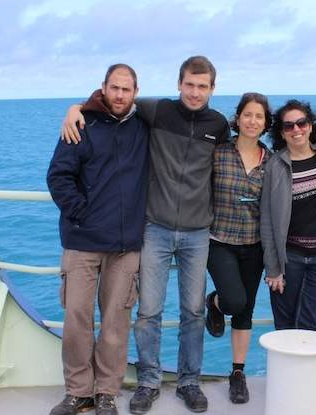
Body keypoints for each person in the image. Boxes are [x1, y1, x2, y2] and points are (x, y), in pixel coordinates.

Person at [60, 56, 230, 414]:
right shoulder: (157, 111)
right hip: (154, 228)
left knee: (193, 311)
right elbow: (107, 105)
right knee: (148, 311)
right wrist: (74, 107)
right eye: (189, 84)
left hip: (198, 232)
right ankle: (149, 381)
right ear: (178, 84)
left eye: (203, 86)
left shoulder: (219, 125)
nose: (195, 92)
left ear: (212, 89)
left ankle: (188, 381)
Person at [47, 63, 149, 415]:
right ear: (103, 88)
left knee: (115, 322)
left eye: (127, 89)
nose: (120, 95)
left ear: (136, 92)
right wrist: (82, 214)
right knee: (76, 317)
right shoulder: (81, 124)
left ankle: (106, 392)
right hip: (82, 241)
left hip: (125, 246)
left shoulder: (144, 126)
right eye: (114, 88)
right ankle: (78, 392)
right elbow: (58, 176)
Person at [204, 92, 272, 404]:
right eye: (248, 114)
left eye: (259, 116)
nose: (252, 121)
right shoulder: (218, 153)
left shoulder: (271, 161)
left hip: (254, 245)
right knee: (234, 300)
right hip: (219, 241)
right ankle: (216, 303)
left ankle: (237, 372)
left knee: (245, 311)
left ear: (265, 123)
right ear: (238, 117)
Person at [260, 99, 316, 331]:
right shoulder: (275, 165)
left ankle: (308, 369)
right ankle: (283, 369)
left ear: (310, 126)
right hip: (289, 258)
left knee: (311, 324)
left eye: (301, 123)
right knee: (284, 326)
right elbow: (266, 220)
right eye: (288, 126)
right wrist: (273, 268)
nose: (296, 130)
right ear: (282, 133)